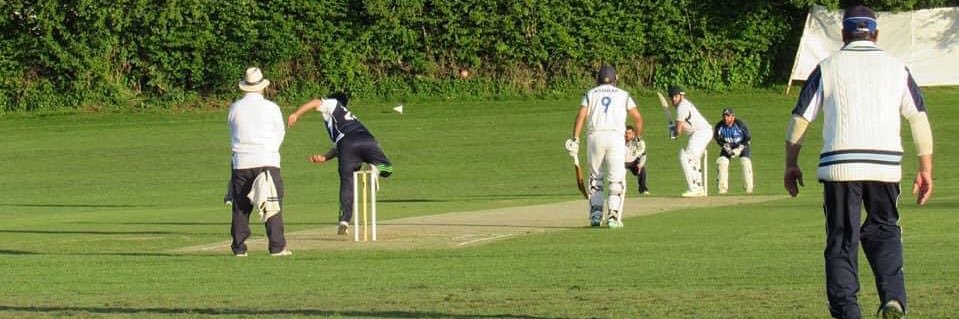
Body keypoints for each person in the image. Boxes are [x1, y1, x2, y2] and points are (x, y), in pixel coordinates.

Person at [784, 5, 933, 319]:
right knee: (885, 229)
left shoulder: (827, 67)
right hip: (884, 166)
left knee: (842, 239)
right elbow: (918, 118)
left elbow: (800, 119)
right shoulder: (897, 68)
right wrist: (925, 169)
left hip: (840, 166)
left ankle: (848, 311)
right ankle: (893, 298)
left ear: (843, 34)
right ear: (876, 34)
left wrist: (791, 164)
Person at [287, 92, 393, 236]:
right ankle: (376, 169)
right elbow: (340, 144)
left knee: (347, 182)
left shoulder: (333, 104)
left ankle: (344, 221)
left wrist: (296, 114)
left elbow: (316, 102)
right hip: (367, 140)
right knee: (388, 169)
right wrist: (325, 157)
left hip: (347, 145)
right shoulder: (349, 118)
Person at [565, 65, 644, 228]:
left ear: (598, 79)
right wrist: (637, 139)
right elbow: (638, 119)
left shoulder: (590, 94)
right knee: (616, 178)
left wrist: (575, 139)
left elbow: (581, 116)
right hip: (616, 138)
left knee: (596, 177)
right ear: (615, 80)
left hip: (595, 137)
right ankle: (613, 216)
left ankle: (595, 215)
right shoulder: (624, 94)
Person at [227, 67, 291, 257]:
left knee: (240, 207)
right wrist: (270, 150)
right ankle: (277, 247)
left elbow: (233, 131)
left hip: (241, 161)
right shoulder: (271, 107)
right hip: (267, 160)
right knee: (271, 203)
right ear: (262, 86)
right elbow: (280, 132)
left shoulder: (235, 108)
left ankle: (239, 248)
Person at [669, 86, 711, 197]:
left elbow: (678, 131)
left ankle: (694, 188)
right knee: (693, 161)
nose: (673, 99)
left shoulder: (682, 107)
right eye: (672, 97)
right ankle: (699, 188)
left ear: (681, 96)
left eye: (676, 96)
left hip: (701, 132)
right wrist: (674, 130)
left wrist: (673, 133)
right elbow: (682, 126)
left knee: (686, 157)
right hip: (700, 133)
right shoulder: (684, 105)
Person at [713, 108, 753, 194]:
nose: (725, 118)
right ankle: (722, 189)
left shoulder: (739, 124)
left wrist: (740, 148)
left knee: (745, 162)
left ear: (733, 117)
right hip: (728, 146)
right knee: (722, 162)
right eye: (724, 116)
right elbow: (717, 138)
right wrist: (724, 146)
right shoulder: (719, 126)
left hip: (741, 145)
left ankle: (749, 188)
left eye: (728, 116)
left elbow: (747, 137)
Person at [624, 125, 649, 195]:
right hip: (621, 162)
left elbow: (643, 155)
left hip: (633, 162)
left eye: (629, 133)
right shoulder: (618, 142)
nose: (627, 135)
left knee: (642, 169)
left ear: (633, 134)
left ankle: (643, 189)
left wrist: (640, 165)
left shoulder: (638, 142)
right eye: (626, 133)